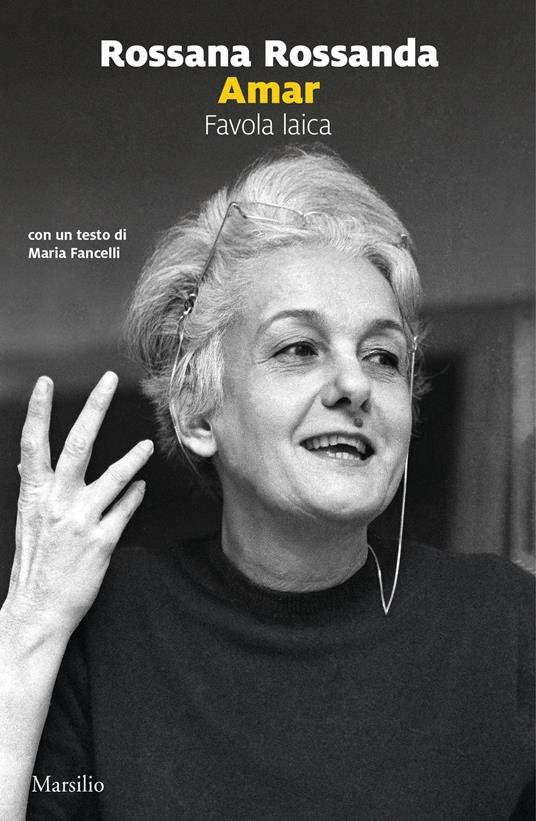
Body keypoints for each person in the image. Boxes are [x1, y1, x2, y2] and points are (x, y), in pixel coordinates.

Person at [1, 148, 533, 820]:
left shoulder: (505, 625)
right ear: (198, 412)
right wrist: (27, 628)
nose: (354, 384)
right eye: (298, 348)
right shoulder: (101, 627)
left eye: (383, 356)